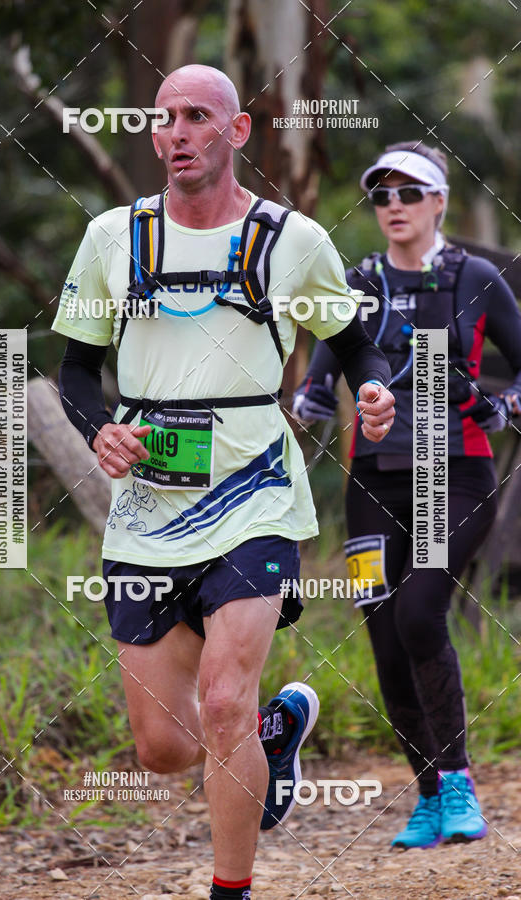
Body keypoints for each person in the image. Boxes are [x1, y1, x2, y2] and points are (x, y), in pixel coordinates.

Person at [52, 64, 395, 898]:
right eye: (163, 118)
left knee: (221, 707)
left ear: (236, 133)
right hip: (148, 512)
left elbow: (353, 341)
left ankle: (230, 888)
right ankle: (277, 735)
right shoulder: (112, 238)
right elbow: (72, 370)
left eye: (195, 116)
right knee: (162, 750)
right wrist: (101, 431)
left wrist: (375, 389)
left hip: (255, 492)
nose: (174, 132)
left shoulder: (293, 240)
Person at [293, 141, 521, 850]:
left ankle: (458, 783)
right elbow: (325, 361)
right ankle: (428, 795)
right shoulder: (357, 282)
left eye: (408, 192)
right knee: (385, 635)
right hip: (373, 481)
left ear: (438, 201)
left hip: (452, 474)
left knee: (421, 611)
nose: (393, 205)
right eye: (382, 194)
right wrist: (308, 399)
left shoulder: (476, 275)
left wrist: (503, 406)